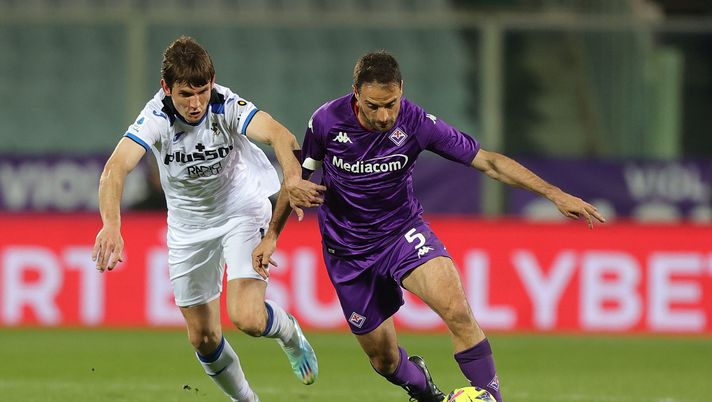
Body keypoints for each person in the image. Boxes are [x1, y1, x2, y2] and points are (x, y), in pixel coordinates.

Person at [252, 51, 606, 402]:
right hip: (347, 252)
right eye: (374, 106)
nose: (384, 115)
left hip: (401, 234)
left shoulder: (417, 123)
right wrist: (272, 235)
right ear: (356, 93)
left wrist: (555, 194)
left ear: (402, 91)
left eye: (391, 103)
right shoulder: (326, 122)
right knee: (384, 359)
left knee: (458, 312)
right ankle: (425, 391)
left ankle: (492, 398)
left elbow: (490, 163)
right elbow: (295, 180)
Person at [91, 36, 325, 402]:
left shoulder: (226, 104)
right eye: (185, 94)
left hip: (241, 211)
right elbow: (115, 169)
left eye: (202, 90)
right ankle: (246, 399)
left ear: (212, 81)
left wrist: (292, 178)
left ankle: (289, 334)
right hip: (187, 227)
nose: (196, 103)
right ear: (166, 88)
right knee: (203, 338)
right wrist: (111, 224)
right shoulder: (155, 117)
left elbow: (280, 134)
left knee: (247, 317)